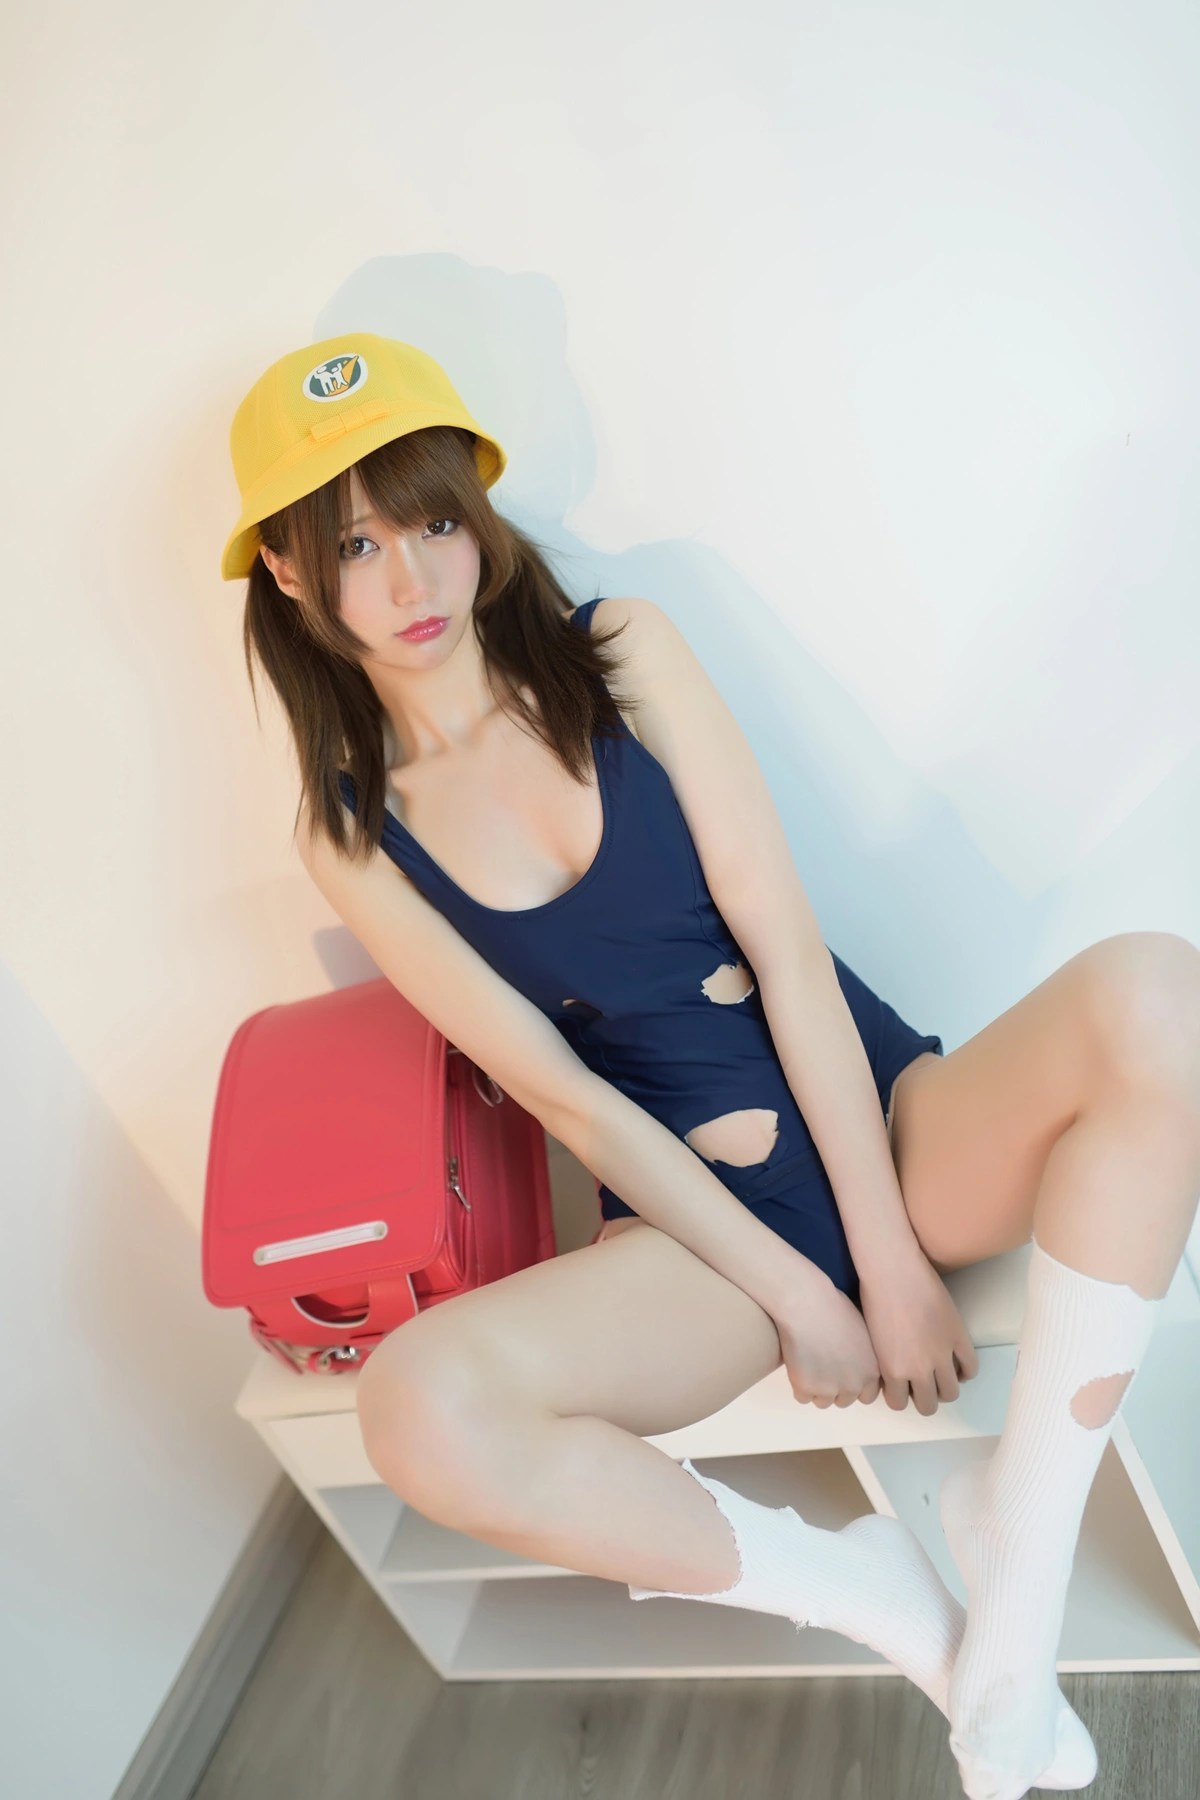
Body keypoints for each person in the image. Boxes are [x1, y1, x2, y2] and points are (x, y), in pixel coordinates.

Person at [220, 331, 1200, 1800]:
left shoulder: (621, 652)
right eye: (355, 545)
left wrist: (889, 1262)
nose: (413, 578)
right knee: (414, 1409)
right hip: (704, 1249)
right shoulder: (353, 829)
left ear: (475, 514)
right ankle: (893, 1608)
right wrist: (801, 1296)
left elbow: (787, 948)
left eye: (432, 522)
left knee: (1161, 994)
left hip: (887, 1130)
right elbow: (568, 1098)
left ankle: (1024, 1550)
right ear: (290, 575)